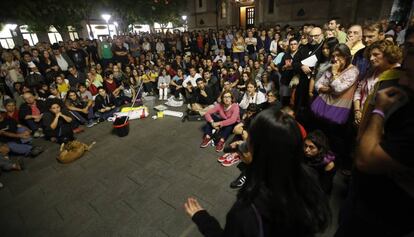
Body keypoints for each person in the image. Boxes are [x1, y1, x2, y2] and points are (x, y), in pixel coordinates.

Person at [185, 109, 331, 236]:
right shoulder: (308, 179)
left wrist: (202, 218)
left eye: (250, 140)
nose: (246, 144)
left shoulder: (247, 211)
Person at [335, 27, 414, 237]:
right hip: (363, 135)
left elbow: (368, 159)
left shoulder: (395, 80)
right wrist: (359, 109)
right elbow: (361, 91)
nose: (371, 58)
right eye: (408, 48)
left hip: (384, 203)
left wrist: (378, 110)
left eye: (376, 54)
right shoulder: (375, 73)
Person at [312, 44, 359, 172]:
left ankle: (336, 166)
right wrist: (329, 89)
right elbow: (318, 85)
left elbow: (338, 89)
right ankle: (323, 160)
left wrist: (334, 74)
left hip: (339, 109)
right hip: (324, 107)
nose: (335, 59)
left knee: (336, 139)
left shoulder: (353, 71)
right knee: (324, 135)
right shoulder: (330, 67)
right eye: (333, 56)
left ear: (347, 56)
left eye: (339, 56)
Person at [353, 40, 402, 126]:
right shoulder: (372, 71)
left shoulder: (398, 74)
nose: (371, 58)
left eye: (376, 55)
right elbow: (358, 91)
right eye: (370, 55)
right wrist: (357, 111)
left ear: (388, 55)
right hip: (362, 119)